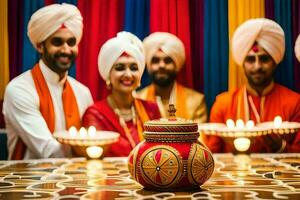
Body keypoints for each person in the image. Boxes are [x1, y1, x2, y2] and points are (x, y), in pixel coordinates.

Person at [3, 4, 93, 160]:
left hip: (78, 180)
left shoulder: (82, 92)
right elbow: (47, 151)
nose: (66, 50)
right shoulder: (19, 89)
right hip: (28, 181)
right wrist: (94, 150)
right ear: (40, 46)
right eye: (57, 42)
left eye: (71, 42)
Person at [205, 18, 300, 153]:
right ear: (243, 63)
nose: (257, 66)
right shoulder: (224, 103)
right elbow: (212, 155)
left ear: (274, 61)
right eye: (250, 59)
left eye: (264, 59)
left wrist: (280, 147)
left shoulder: (294, 102)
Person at [82, 32, 161, 157]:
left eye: (134, 68)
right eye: (120, 68)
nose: (128, 74)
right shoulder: (95, 114)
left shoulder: (151, 109)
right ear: (109, 75)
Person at [137, 32, 207, 122]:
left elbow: (199, 135)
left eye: (167, 60)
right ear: (148, 65)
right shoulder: (138, 100)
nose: (161, 65)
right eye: (155, 60)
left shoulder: (196, 101)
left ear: (177, 65)